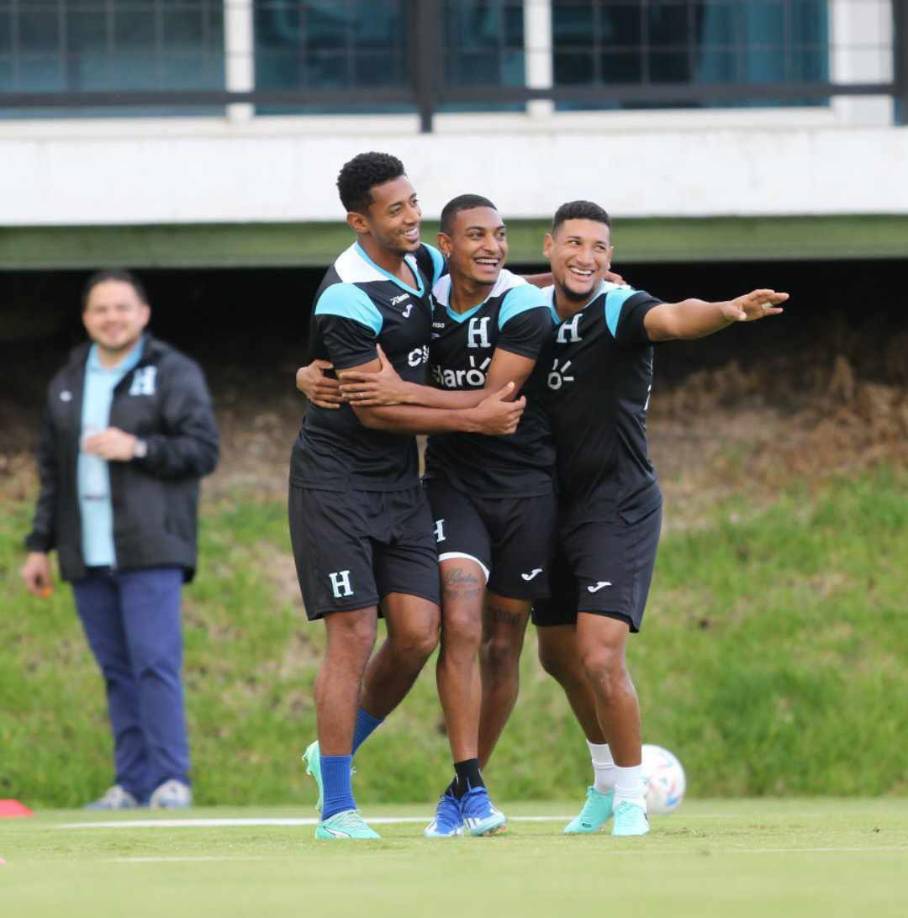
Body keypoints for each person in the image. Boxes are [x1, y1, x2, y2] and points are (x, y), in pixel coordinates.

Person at [532, 201, 787, 836]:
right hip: (546, 506)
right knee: (558, 657)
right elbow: (471, 290)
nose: (586, 257)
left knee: (598, 655)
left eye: (598, 248)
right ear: (550, 248)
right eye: (574, 244)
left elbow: (674, 318)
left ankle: (629, 798)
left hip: (616, 506)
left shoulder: (619, 307)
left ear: (610, 259)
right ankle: (603, 785)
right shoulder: (525, 309)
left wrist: (726, 311)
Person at [290, 154, 526, 840]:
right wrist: (475, 412)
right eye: (395, 211)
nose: (413, 216)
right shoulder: (345, 294)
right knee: (355, 633)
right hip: (334, 483)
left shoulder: (421, 262)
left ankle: (330, 751)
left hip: (398, 486)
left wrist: (571, 283)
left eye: (414, 202)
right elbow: (379, 406)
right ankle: (337, 808)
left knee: (420, 634)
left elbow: (481, 285)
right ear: (359, 221)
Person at [333, 195, 557, 837]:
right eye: (476, 235)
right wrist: (309, 374)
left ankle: (458, 791)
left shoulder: (521, 307)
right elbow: (349, 339)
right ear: (445, 246)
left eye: (501, 235)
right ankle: (471, 786)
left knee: (503, 644)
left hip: (526, 491)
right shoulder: (421, 282)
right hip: (452, 487)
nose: (491, 245)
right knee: (457, 623)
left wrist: (398, 390)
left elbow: (494, 403)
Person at [21, 269, 219, 810]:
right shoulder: (68, 381)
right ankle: (131, 784)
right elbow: (52, 469)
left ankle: (170, 781)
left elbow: (202, 450)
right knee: (116, 670)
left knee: (154, 662)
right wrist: (39, 545)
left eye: (122, 308)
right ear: (86, 319)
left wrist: (137, 448)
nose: (112, 318)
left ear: (144, 313)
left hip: (151, 546)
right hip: (85, 549)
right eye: (101, 310)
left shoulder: (173, 373)